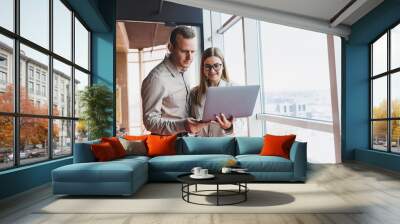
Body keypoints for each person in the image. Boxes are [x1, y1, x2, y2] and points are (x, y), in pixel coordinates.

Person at [141, 26, 206, 135]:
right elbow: (150, 122)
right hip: (168, 146)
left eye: (193, 51)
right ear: (170, 47)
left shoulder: (185, 70)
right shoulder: (156, 79)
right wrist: (183, 125)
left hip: (187, 141)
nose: (190, 57)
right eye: (184, 51)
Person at [189, 47, 234, 137]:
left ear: (223, 66)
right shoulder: (194, 93)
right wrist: (194, 129)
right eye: (208, 66)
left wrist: (228, 127)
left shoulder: (234, 90)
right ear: (203, 68)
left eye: (216, 65)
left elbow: (242, 124)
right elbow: (191, 125)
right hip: (200, 146)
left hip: (224, 146)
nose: (212, 70)